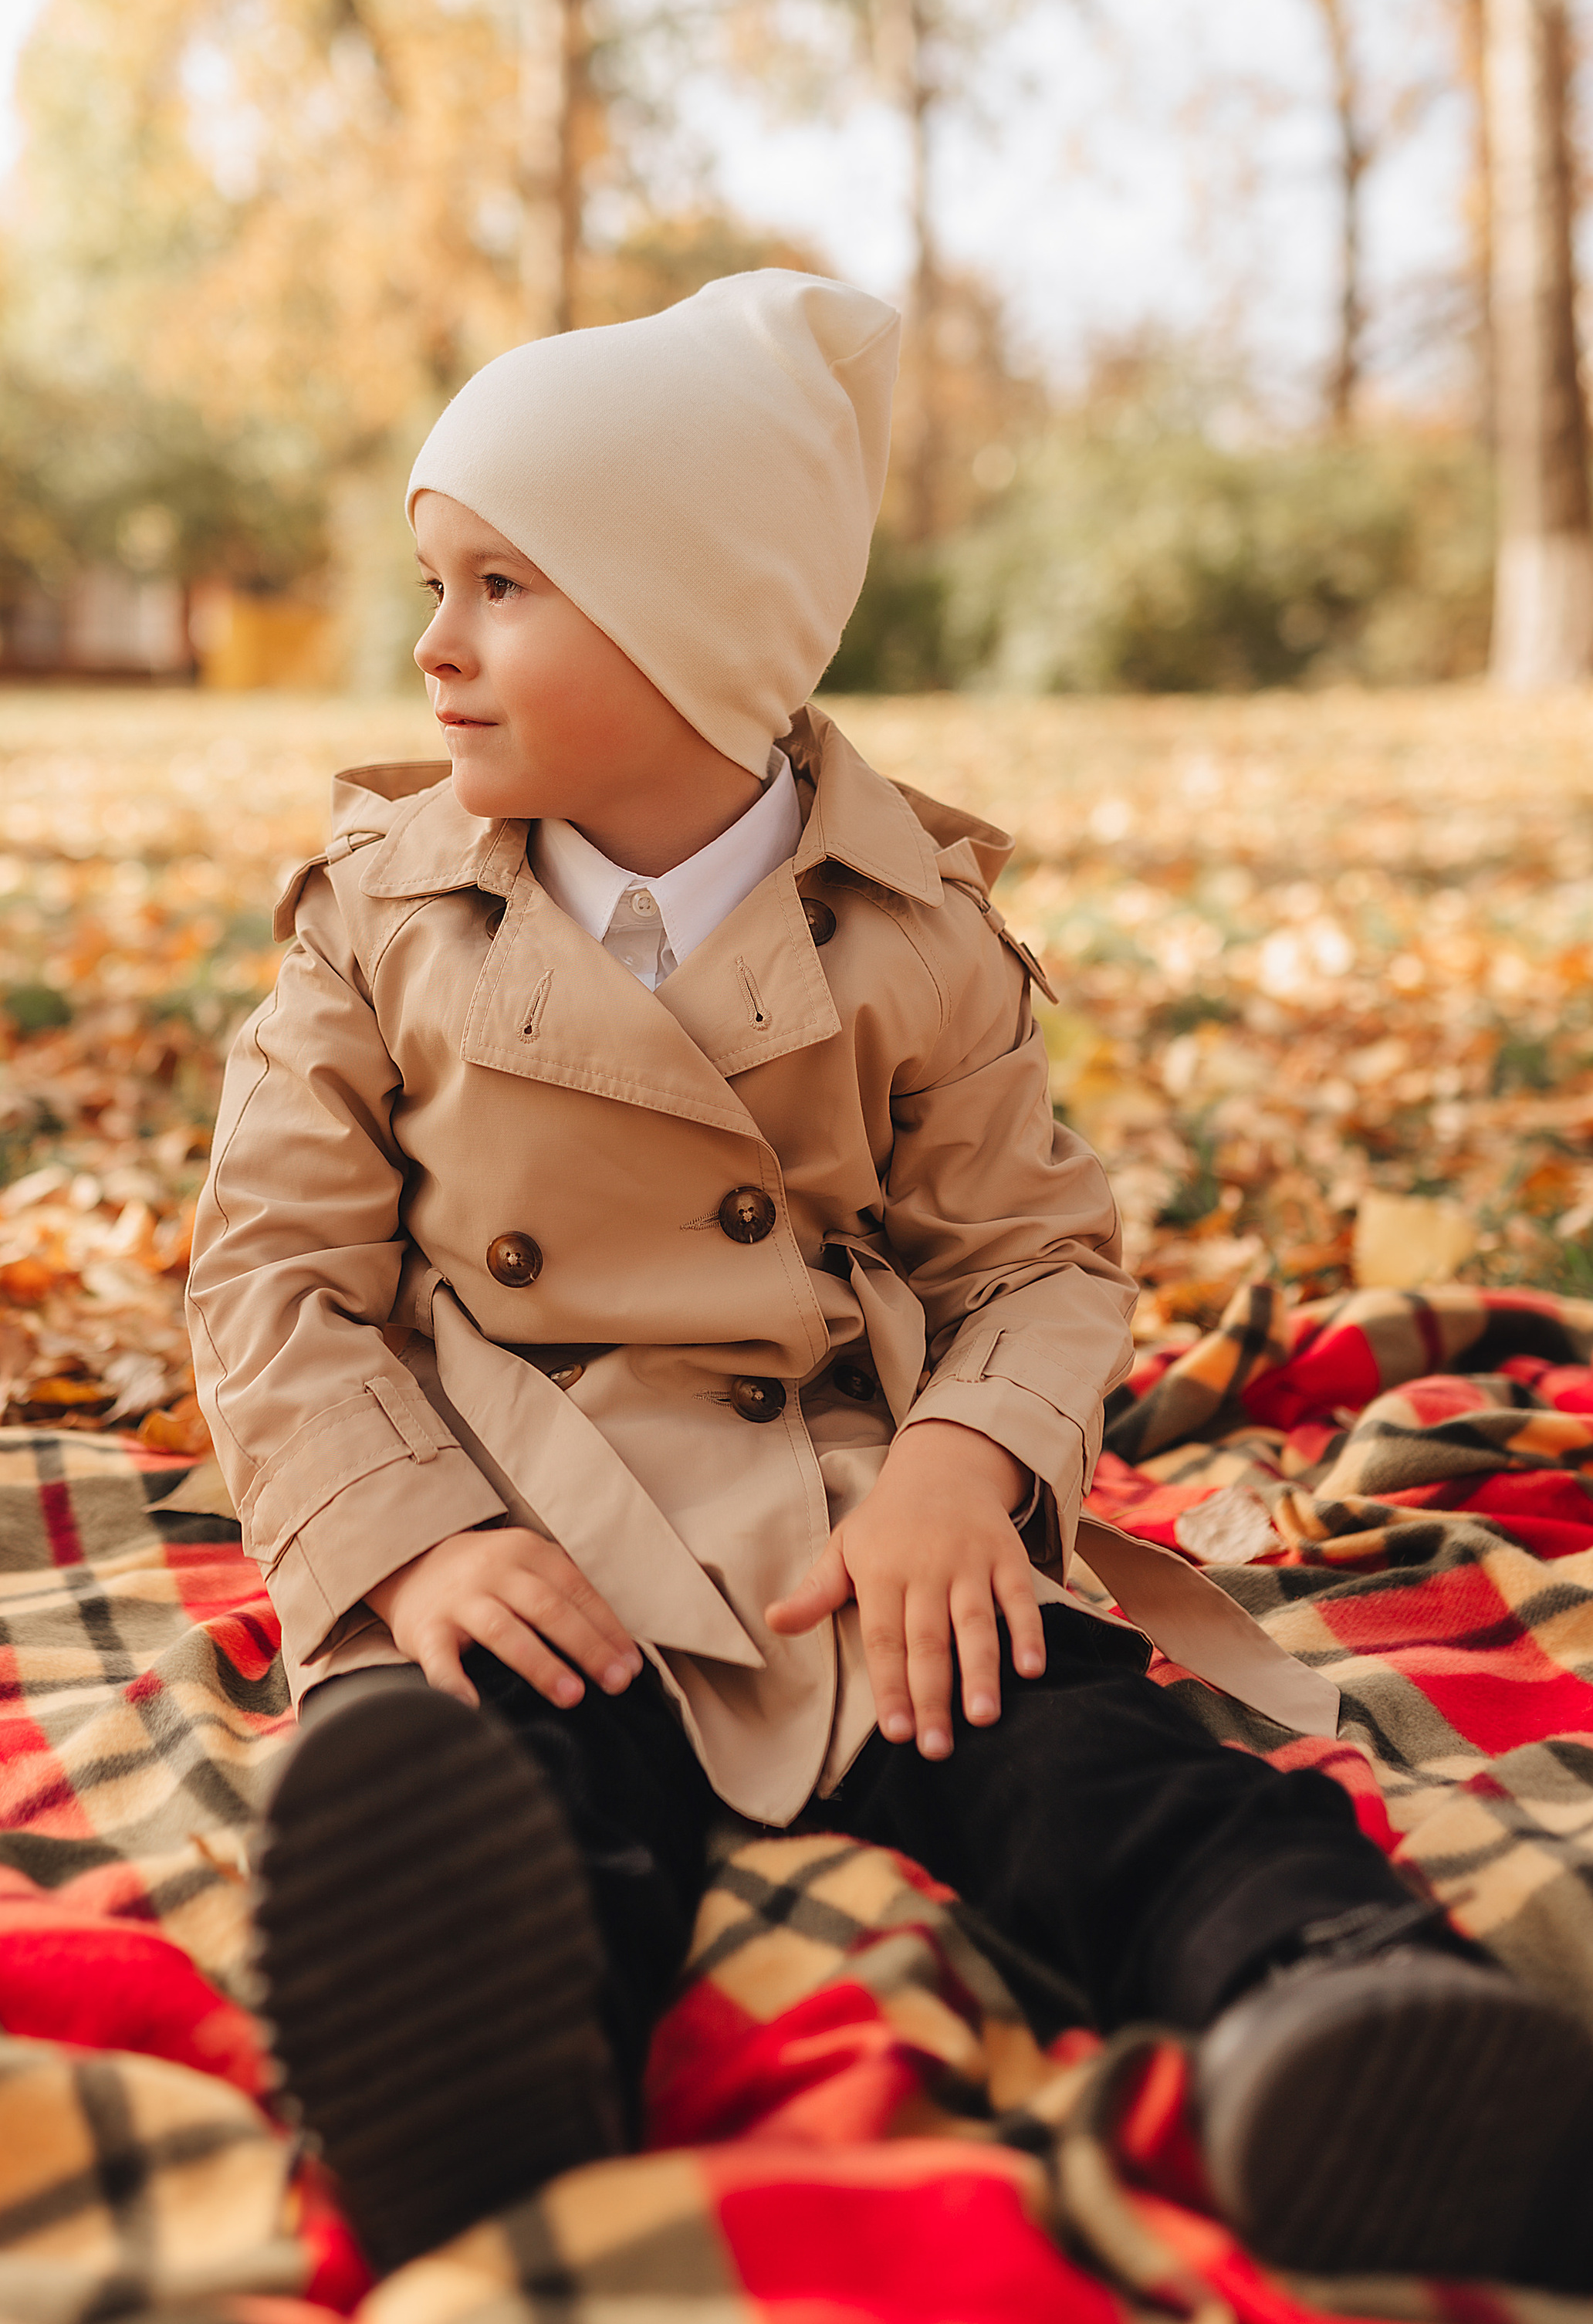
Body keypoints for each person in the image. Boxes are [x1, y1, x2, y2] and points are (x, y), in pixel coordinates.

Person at [188, 271, 1593, 2288]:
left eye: (502, 586)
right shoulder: (381, 921)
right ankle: (476, 2084)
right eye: (440, 582)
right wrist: (408, 1551)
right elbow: (272, 1273)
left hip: (839, 1522)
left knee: (1084, 1761)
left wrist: (958, 1472)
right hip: (520, 1505)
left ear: (691, 623)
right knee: (503, 1776)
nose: (433, 645)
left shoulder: (911, 934)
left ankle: (1342, 2007)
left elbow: (1032, 1256)